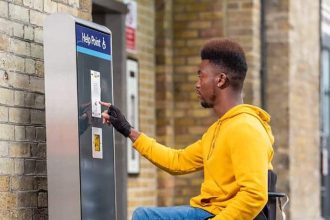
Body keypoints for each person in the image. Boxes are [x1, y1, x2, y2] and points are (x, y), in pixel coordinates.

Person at [100, 38, 274, 220]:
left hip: (219, 214)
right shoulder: (220, 129)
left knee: (145, 217)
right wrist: (128, 130)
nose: (197, 84)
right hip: (208, 211)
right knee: (144, 215)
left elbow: (254, 195)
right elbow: (177, 161)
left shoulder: (246, 128)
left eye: (201, 76)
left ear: (221, 80)